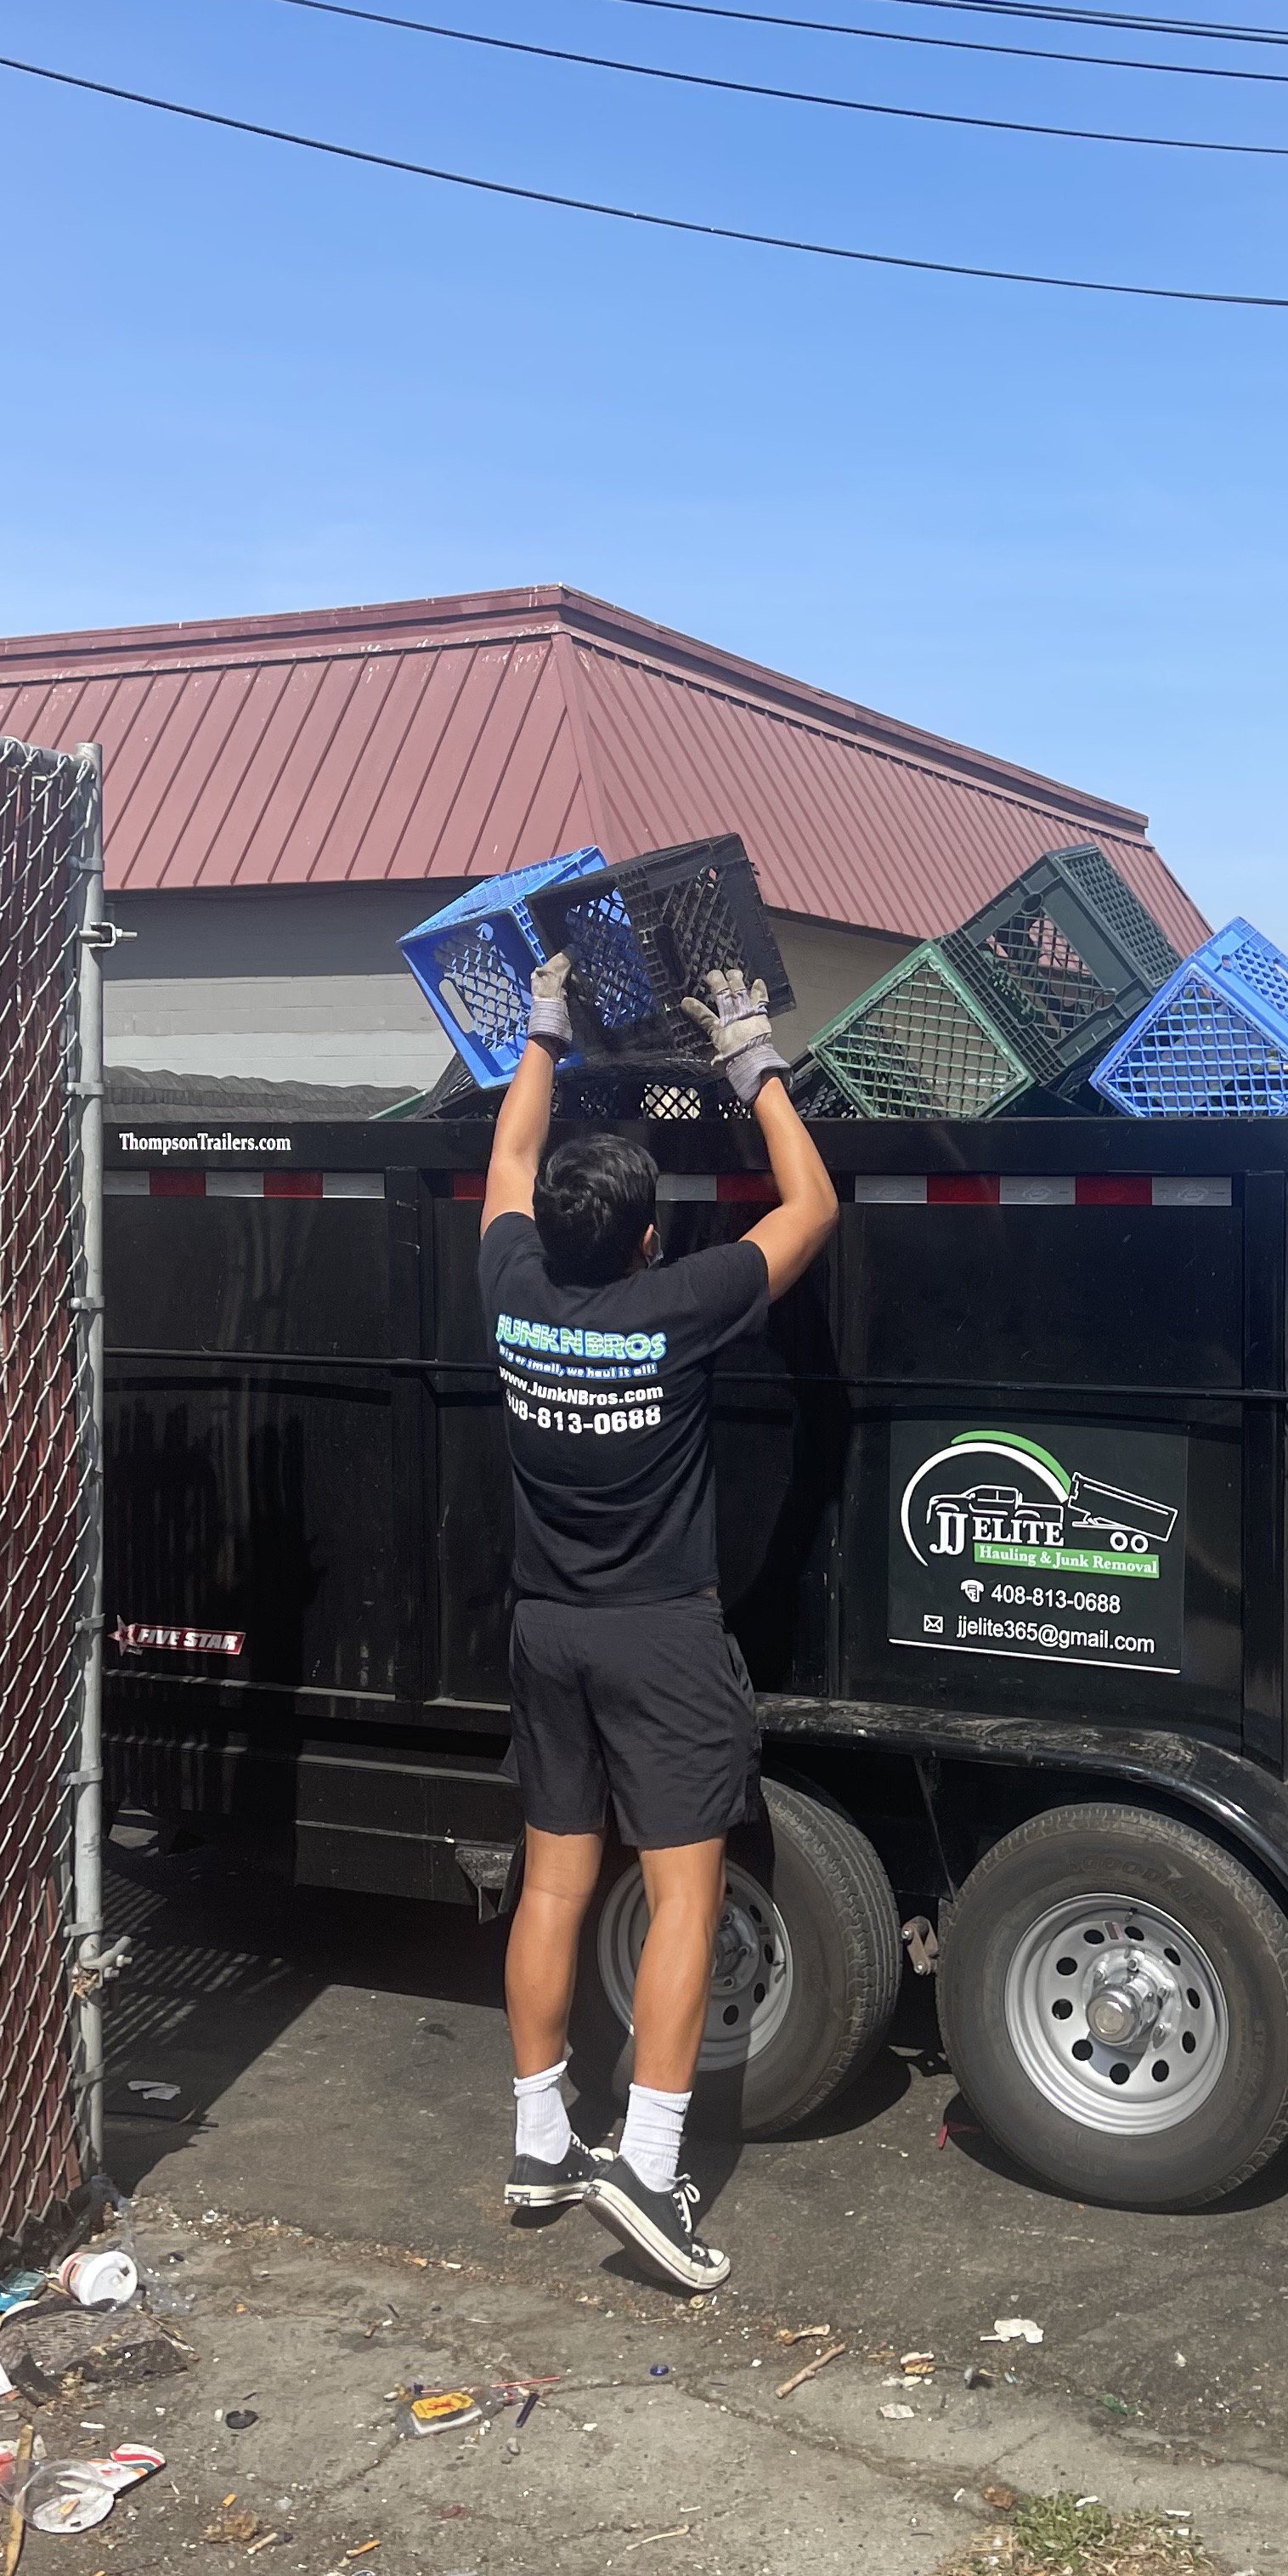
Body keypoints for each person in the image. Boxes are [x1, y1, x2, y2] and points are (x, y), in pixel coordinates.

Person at [479, 954, 838, 2287]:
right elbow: (812, 1205)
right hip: (660, 1639)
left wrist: (544, 1034)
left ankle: (537, 2140)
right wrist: (751, 1057)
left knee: (558, 1882)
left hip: (549, 1632)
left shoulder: (510, 1287)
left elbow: (512, 1159)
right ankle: (647, 2163)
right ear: (643, 1238)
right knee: (685, 1895)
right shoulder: (678, 1307)